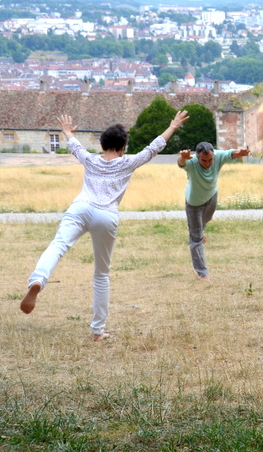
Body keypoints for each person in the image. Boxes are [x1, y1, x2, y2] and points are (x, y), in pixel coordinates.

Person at [20, 110, 190, 340]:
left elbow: (75, 146)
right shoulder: (128, 162)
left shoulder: (91, 159)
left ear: (102, 146)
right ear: (122, 147)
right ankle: (97, 330)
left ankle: (38, 280)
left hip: (80, 207)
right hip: (106, 215)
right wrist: (172, 126)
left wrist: (68, 132)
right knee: (101, 274)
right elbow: (153, 148)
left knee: (57, 246)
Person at [178, 142, 250, 282]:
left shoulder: (217, 156)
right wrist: (183, 157)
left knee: (205, 221)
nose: (207, 163)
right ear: (197, 157)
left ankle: (197, 230)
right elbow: (181, 163)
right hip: (193, 203)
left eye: (210, 160)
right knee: (196, 239)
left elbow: (231, 153)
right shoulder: (191, 162)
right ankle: (203, 273)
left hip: (211, 197)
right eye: (204, 160)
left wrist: (241, 153)